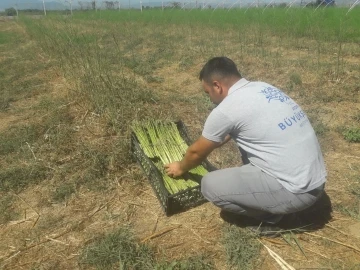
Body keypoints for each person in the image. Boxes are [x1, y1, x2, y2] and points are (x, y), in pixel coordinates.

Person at [164, 57, 327, 234]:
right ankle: (273, 203)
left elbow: (195, 153)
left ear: (217, 86)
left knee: (209, 185)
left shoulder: (227, 109)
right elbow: (243, 128)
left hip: (297, 192)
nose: (210, 98)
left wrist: (180, 167)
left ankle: (275, 219)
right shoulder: (262, 88)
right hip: (315, 181)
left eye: (208, 92)